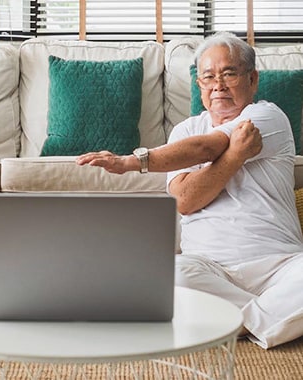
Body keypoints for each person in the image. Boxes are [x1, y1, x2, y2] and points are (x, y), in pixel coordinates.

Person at [77, 31, 303, 349]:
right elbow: (185, 200)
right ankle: (272, 317)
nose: (218, 85)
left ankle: (228, 320)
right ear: (199, 85)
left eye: (229, 74)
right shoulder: (185, 131)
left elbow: (207, 147)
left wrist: (131, 162)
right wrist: (237, 155)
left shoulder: (267, 116)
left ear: (252, 79)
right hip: (207, 267)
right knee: (169, 275)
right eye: (208, 76)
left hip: (278, 264)